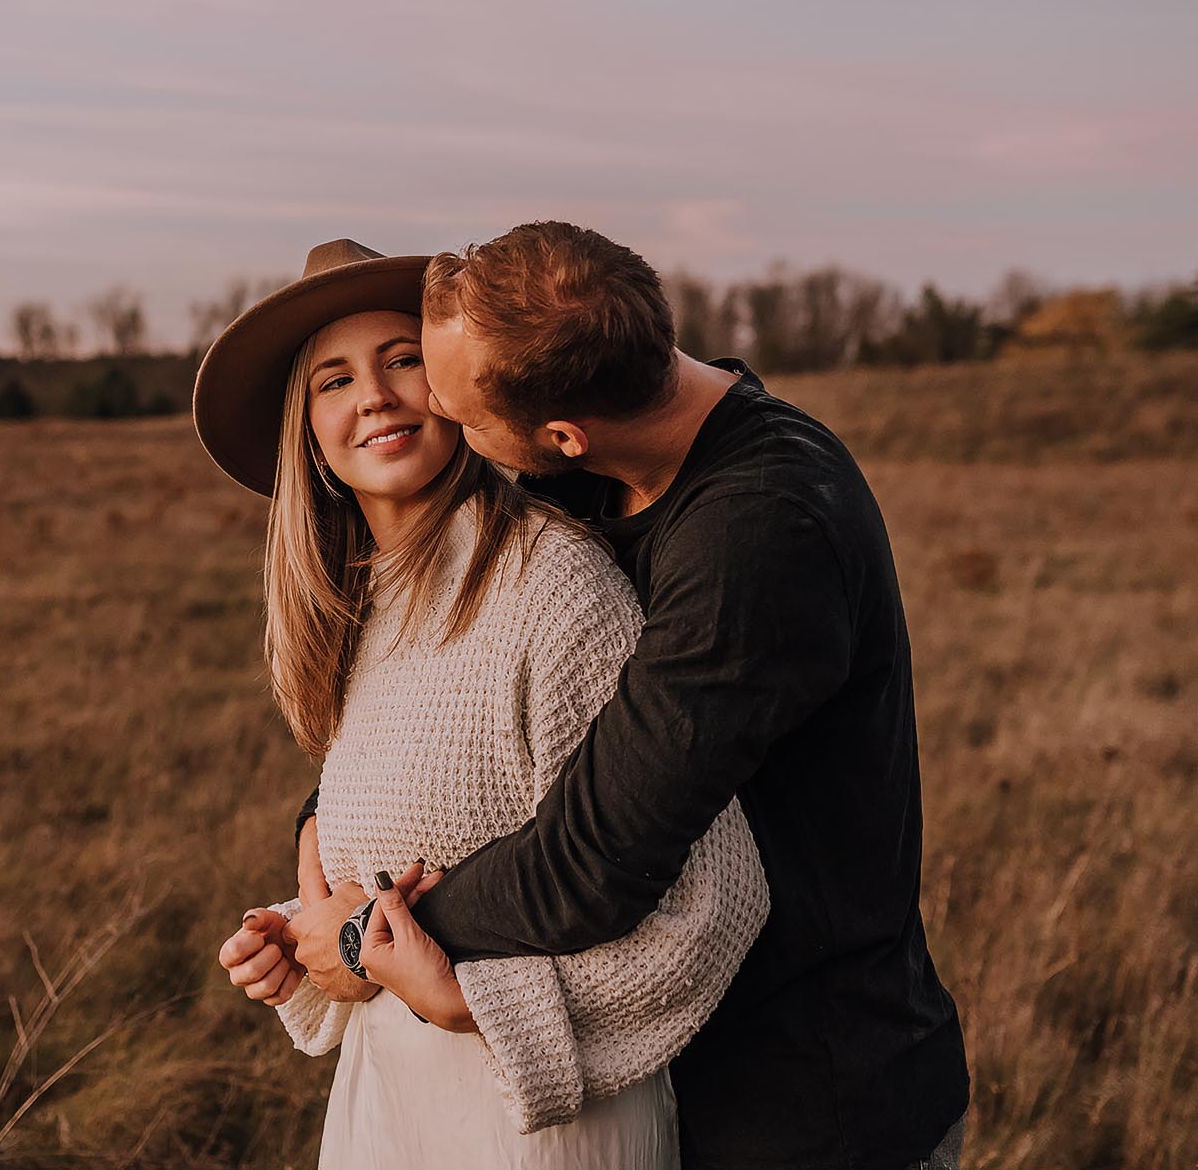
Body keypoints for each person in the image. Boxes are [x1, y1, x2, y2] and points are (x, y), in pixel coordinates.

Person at [280, 222, 969, 1170]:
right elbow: (444, 702)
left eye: (460, 409)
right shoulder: (605, 469)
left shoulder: (760, 531)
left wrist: (371, 933)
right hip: (674, 1080)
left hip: (810, 1097)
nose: (427, 407)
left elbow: (592, 854)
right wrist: (331, 812)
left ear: (561, 435)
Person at [195, 238, 769, 1167]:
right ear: (308, 431)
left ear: (462, 386)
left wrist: (473, 1003)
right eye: (334, 380)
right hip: (387, 1108)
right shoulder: (362, 606)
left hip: (537, 1128)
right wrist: (301, 942)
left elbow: (715, 897)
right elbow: (423, 869)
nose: (374, 395)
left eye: (403, 360)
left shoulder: (553, 585)